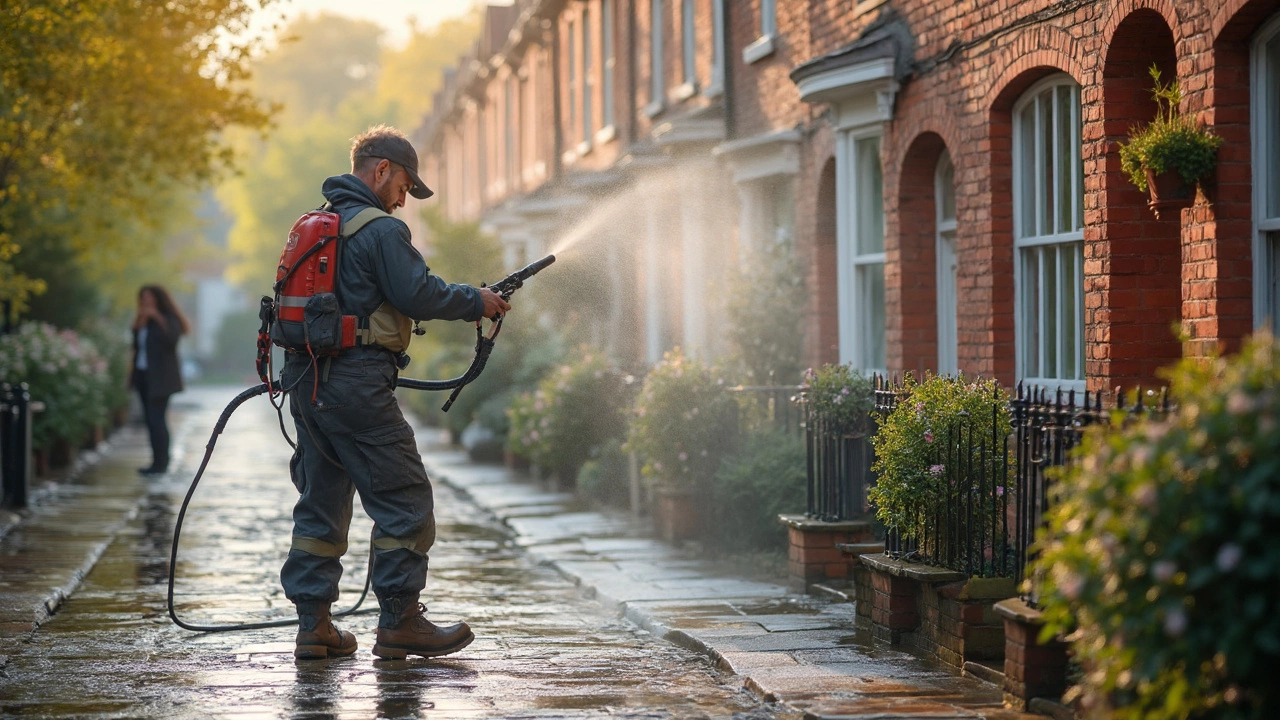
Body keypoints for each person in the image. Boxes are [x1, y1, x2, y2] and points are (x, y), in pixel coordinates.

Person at [282, 125, 510, 661]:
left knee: (321, 504)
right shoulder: (380, 230)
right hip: (358, 385)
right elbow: (417, 292)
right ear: (381, 169)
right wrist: (477, 300)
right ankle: (401, 620)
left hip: (306, 381)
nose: (404, 199)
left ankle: (314, 626)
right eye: (405, 185)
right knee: (405, 498)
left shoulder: (318, 224)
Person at [129, 285, 188, 476]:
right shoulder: (143, 320)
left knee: (157, 420)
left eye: (149, 297)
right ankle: (156, 461)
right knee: (149, 420)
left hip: (161, 379)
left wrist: (157, 317)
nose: (146, 301)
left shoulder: (168, 319)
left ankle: (162, 463)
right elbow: (136, 345)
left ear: (158, 299)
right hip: (143, 376)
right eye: (143, 297)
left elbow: (172, 339)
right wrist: (141, 322)